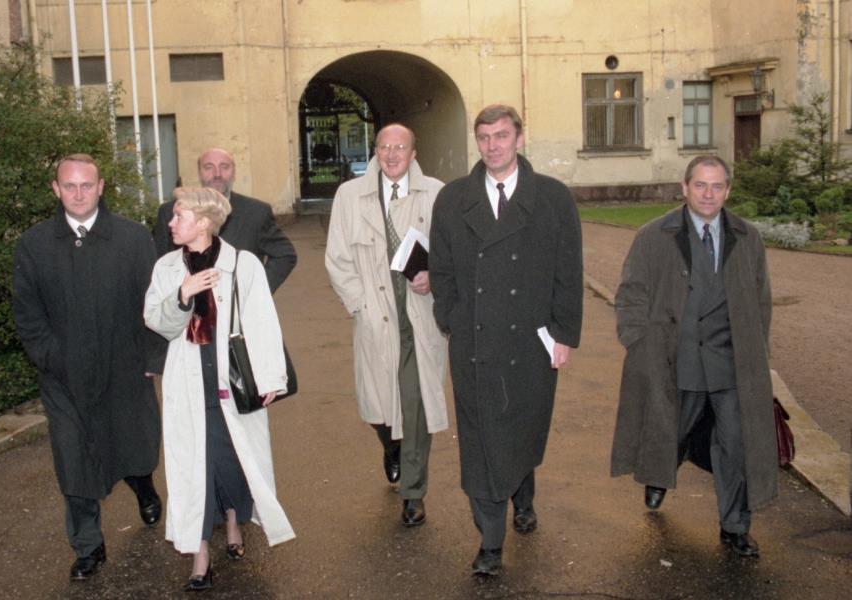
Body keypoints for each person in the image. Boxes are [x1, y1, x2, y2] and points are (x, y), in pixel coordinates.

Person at [429, 105, 583, 576]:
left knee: (521, 425)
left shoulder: (552, 198)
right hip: (474, 341)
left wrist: (564, 334)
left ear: (519, 137)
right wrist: (451, 318)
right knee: (481, 439)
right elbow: (441, 269)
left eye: (501, 135)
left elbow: (568, 272)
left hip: (532, 341)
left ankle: (523, 492)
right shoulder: (454, 198)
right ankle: (490, 542)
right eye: (484, 137)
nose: (492, 145)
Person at [610, 155, 775, 558]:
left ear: (728, 191)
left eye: (717, 186)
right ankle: (659, 473)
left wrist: (755, 350)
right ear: (685, 188)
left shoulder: (747, 237)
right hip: (674, 361)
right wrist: (638, 342)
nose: (708, 194)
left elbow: (761, 299)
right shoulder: (654, 235)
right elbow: (631, 294)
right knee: (671, 431)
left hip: (729, 364)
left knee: (735, 444)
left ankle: (735, 526)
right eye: (700, 185)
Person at [12, 153, 165, 581]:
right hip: (65, 378)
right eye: (69, 186)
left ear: (100, 188)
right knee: (73, 458)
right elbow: (27, 314)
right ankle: (88, 545)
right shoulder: (34, 245)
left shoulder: (133, 239)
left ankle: (143, 485)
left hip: (124, 369)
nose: (78, 194)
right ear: (56, 189)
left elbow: (153, 303)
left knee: (133, 445)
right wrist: (51, 358)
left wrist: (152, 357)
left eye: (86, 185)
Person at [144, 187, 295, 591]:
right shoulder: (166, 267)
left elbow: (263, 320)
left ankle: (232, 521)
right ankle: (200, 554)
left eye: (179, 216)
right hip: (188, 381)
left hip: (232, 380)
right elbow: (156, 321)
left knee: (231, 460)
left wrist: (270, 378)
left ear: (204, 223)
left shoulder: (243, 264)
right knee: (195, 466)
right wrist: (182, 294)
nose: (170, 223)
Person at [325, 124, 449, 527]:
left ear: (413, 153)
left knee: (416, 403)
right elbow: (337, 259)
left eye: (400, 147)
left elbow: (453, 253)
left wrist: (435, 277)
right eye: (384, 147)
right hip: (375, 315)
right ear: (375, 152)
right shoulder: (350, 196)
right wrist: (360, 305)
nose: (392, 154)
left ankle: (413, 493)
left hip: (420, 317)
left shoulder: (436, 194)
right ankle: (390, 444)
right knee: (377, 406)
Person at [153, 148, 297, 293]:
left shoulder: (256, 213)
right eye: (208, 167)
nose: (217, 174)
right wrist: (176, 297)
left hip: (237, 304)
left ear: (234, 173)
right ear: (199, 173)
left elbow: (285, 255)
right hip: (186, 303)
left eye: (224, 167)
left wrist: (256, 291)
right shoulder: (170, 212)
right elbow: (160, 263)